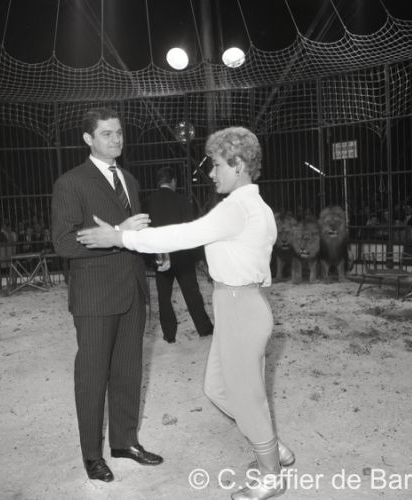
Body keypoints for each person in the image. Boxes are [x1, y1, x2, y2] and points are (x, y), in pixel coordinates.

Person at [77, 126, 294, 499]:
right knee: (217, 388)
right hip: (239, 304)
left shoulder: (237, 208)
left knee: (246, 396)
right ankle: (270, 448)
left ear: (238, 165)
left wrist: (119, 237)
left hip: (240, 306)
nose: (211, 172)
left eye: (217, 165)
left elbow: (182, 236)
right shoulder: (256, 206)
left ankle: (271, 474)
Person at [51, 107, 163, 483]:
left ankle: (125, 442)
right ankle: (91, 455)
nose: (116, 139)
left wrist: (153, 249)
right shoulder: (71, 182)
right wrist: (116, 234)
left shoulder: (129, 179)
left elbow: (131, 234)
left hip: (133, 289)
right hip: (96, 296)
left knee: (129, 371)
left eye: (119, 133)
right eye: (106, 134)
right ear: (88, 139)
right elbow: (63, 242)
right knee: (93, 377)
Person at [144, 166, 213, 343]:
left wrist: (149, 258)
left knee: (163, 297)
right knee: (192, 293)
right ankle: (204, 329)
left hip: (161, 255)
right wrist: (198, 257)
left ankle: (169, 335)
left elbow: (146, 230)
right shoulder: (182, 201)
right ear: (173, 181)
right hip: (182, 255)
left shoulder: (149, 202)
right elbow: (191, 231)